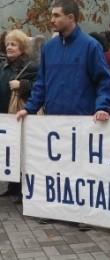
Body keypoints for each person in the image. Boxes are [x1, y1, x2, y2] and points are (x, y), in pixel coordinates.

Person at [16, 0, 110, 230]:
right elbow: (41, 82)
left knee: (83, 169)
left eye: (57, 15)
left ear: (72, 17)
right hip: (54, 120)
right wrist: (29, 108)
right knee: (56, 168)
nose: (52, 19)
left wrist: (102, 106)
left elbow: (104, 80)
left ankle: (85, 213)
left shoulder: (90, 46)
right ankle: (55, 208)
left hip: (82, 120)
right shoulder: (48, 48)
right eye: (52, 15)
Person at [0, 29, 38, 199]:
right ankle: (13, 186)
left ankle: (25, 188)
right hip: (5, 115)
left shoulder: (31, 66)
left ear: (22, 47)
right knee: (10, 149)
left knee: (24, 151)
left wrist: (22, 85)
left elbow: (39, 87)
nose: (9, 47)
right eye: (8, 44)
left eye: (13, 44)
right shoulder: (3, 66)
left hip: (22, 114)